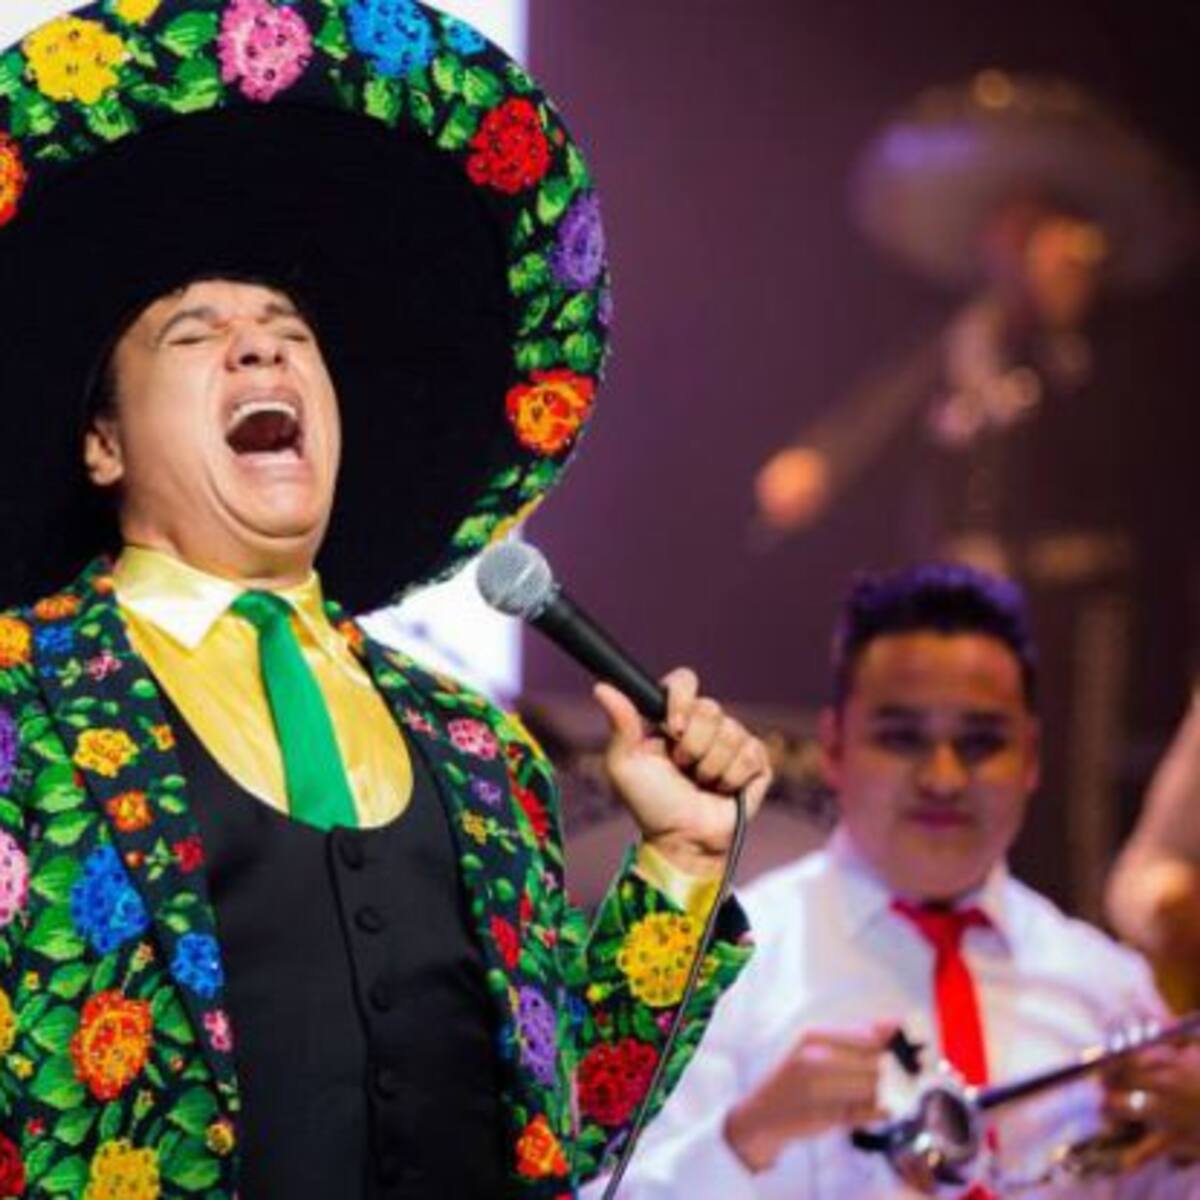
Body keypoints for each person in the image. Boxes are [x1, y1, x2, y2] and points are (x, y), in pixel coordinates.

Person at [0, 3, 770, 1197]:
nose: (263, 352)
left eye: (290, 333)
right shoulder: (16, 703)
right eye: (197, 335)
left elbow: (564, 1127)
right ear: (102, 442)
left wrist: (679, 856)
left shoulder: (475, 747)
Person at [601, 563, 1199, 1198]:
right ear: (834, 747)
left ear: (1030, 756)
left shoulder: (1110, 988)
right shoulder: (721, 969)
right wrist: (745, 1139)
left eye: (981, 742)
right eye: (902, 738)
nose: (943, 778)